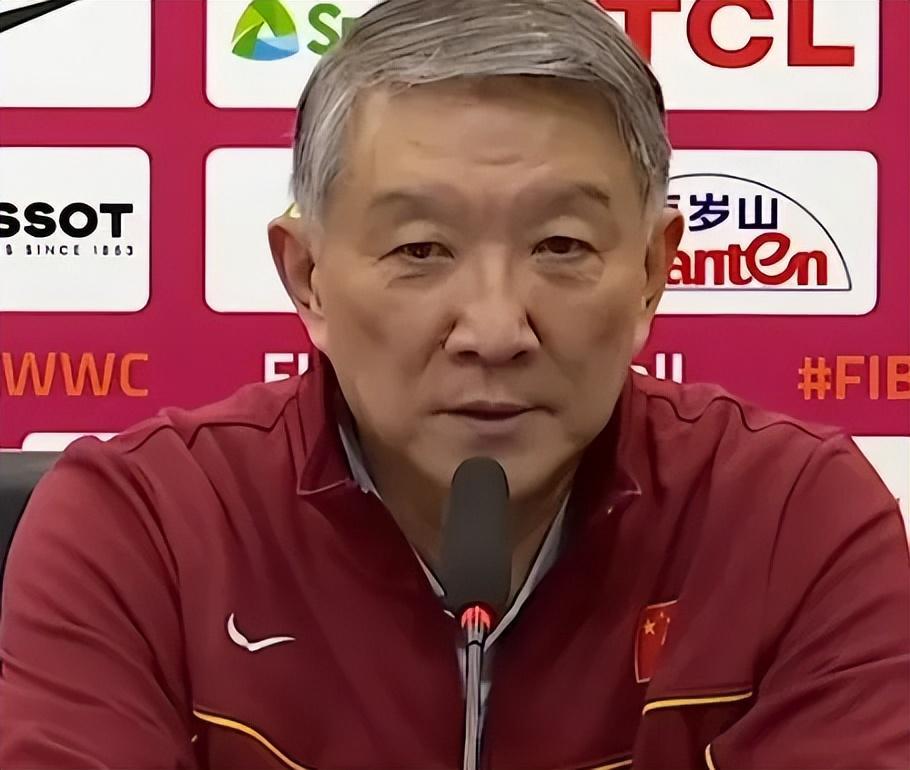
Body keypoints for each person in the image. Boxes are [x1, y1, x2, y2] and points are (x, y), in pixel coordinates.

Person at [2, 0, 908, 768]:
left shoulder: (793, 520)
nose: (495, 331)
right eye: (421, 250)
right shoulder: (146, 530)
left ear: (650, 273)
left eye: (561, 246)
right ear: (307, 278)